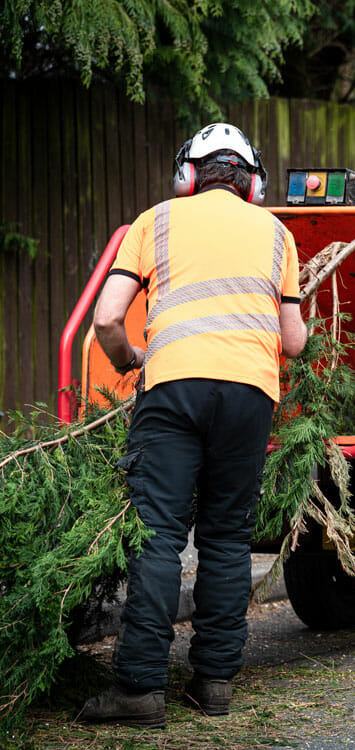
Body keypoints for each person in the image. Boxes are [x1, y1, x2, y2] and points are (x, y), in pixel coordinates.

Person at [77, 123, 307, 728]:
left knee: (158, 537)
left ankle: (138, 691)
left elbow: (105, 320)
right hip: (250, 396)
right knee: (227, 540)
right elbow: (295, 340)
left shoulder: (154, 222)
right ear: (252, 183)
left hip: (172, 390)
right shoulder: (279, 233)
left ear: (188, 175)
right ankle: (215, 687)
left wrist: (132, 361)